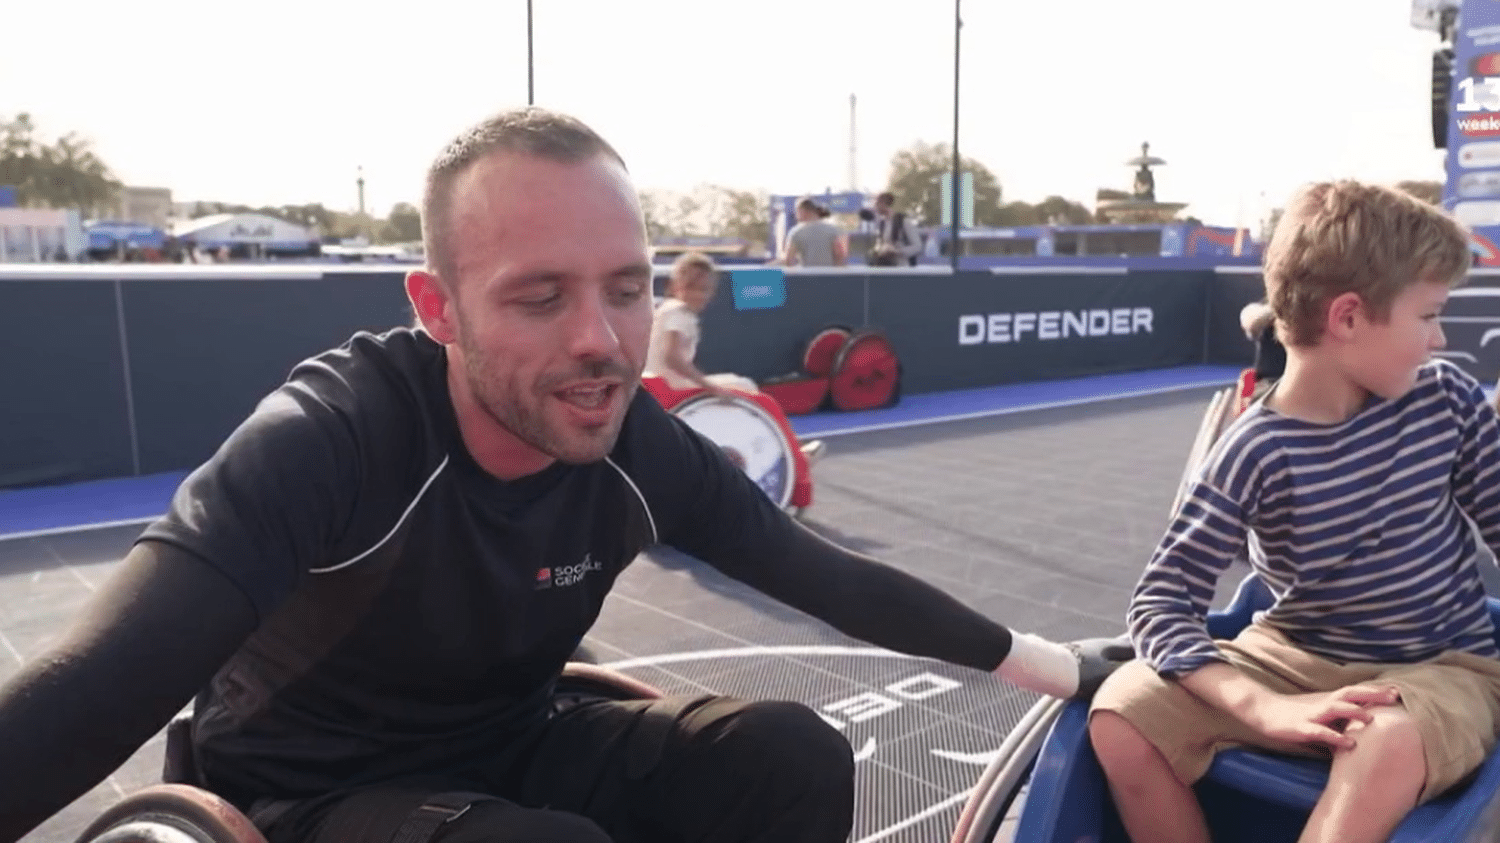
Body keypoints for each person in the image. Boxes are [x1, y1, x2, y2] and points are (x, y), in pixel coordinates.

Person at [0, 106, 1130, 843]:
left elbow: (830, 580)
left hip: (511, 744)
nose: (601, 339)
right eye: (541, 296)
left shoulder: (632, 441)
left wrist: (1069, 670)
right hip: (303, 796)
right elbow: (96, 685)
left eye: (627, 288)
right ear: (438, 309)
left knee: (790, 755)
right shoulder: (333, 439)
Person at [1088, 179, 1500, 843]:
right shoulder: (1254, 448)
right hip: (1291, 658)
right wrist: (1265, 706)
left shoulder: (1446, 399)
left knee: (1383, 737)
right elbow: (1160, 603)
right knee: (1120, 714)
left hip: (1443, 667)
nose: (1439, 339)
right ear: (1348, 317)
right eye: (1427, 316)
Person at [779, 197, 846, 267]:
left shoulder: (796, 232)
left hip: (806, 276)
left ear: (803, 211)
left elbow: (788, 259)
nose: (796, 215)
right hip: (828, 275)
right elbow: (840, 255)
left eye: (797, 211)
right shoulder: (833, 230)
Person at [1239, 298, 1286, 387]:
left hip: (1289, 378)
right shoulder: (1269, 302)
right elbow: (1249, 321)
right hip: (1266, 378)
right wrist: (1277, 310)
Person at [869, 192, 921, 267]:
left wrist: (897, 252)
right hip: (886, 269)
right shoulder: (882, 224)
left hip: (902, 270)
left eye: (876, 204)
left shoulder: (904, 222)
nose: (875, 207)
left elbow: (917, 246)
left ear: (883, 203)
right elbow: (880, 245)